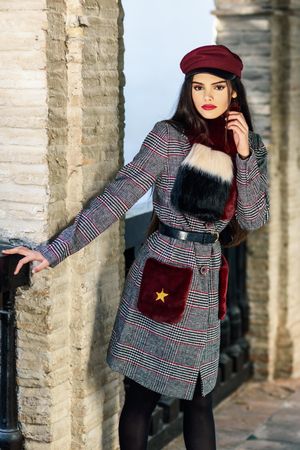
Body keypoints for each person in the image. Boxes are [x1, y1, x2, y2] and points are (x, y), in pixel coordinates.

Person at [2, 44, 270, 450]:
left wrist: (246, 155)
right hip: (161, 274)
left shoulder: (249, 147)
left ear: (234, 92)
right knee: (141, 398)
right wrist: (52, 250)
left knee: (200, 399)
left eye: (218, 87)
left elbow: (252, 218)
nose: (207, 97)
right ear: (188, 91)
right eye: (198, 87)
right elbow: (118, 198)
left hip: (207, 279)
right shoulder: (168, 138)